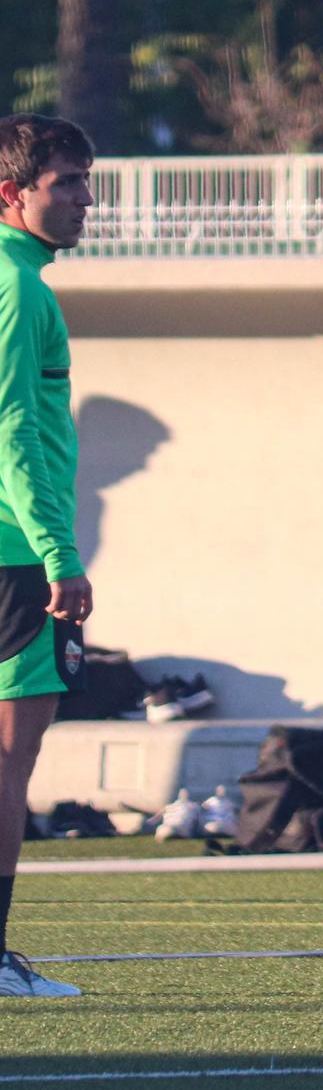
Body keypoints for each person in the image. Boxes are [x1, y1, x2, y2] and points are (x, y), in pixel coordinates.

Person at [0, 114, 95, 997]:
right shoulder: (21, 290)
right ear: (12, 193)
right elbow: (18, 434)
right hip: (17, 559)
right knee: (9, 757)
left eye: (83, 180)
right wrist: (60, 556)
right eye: (63, 183)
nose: (82, 198)